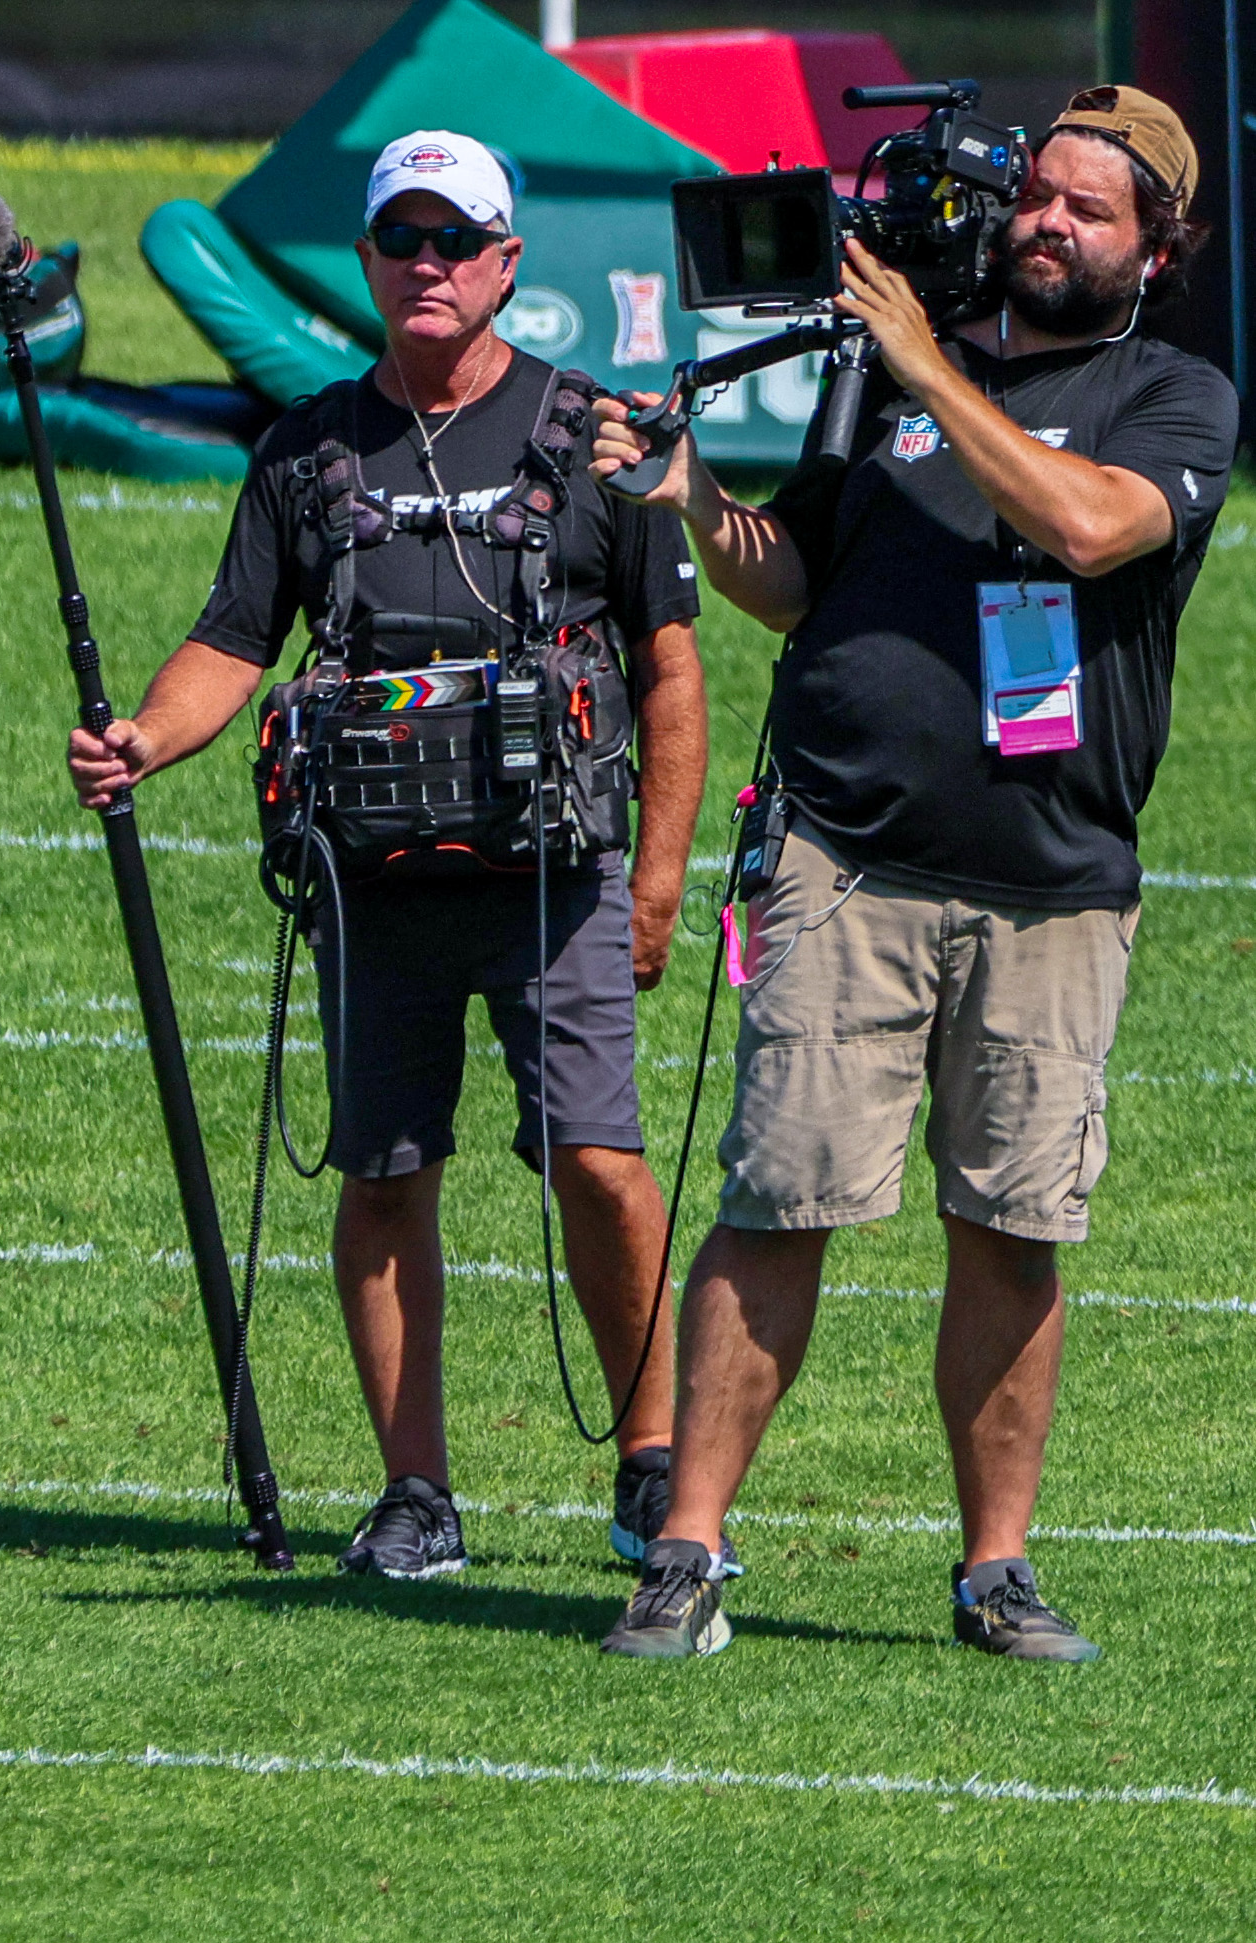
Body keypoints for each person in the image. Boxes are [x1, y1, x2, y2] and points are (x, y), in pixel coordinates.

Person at [591, 88, 1234, 1661]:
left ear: (1157, 248)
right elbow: (791, 576)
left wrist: (925, 368)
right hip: (842, 855)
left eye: (1089, 211)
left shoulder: (1172, 395)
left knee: (1012, 1227)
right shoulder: (891, 376)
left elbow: (1088, 530)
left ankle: (991, 1570)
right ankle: (685, 1552)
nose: (1045, 223)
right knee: (778, 1198)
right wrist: (688, 500)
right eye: (1037, 195)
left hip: (1051, 876)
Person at [70, 130, 708, 1581]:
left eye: (452, 241)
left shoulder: (592, 433)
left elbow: (672, 674)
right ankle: (413, 1492)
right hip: (369, 887)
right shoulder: (303, 450)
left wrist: (659, 879)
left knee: (600, 1164)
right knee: (379, 1177)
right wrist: (144, 740)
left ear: (503, 264)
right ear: (365, 260)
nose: (425, 264)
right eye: (399, 240)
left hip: (556, 882)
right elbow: (233, 640)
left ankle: (650, 1458)